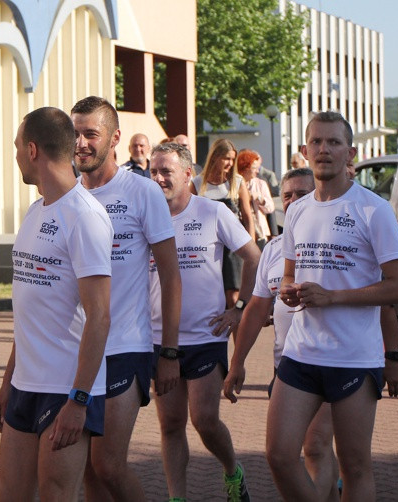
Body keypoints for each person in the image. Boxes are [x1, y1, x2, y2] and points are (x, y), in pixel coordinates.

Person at [269, 111, 398, 501]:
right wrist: (288, 290)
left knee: (355, 467)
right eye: (316, 141)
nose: (324, 149)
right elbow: (289, 274)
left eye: (333, 142)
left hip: (353, 357)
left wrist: (333, 297)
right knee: (279, 456)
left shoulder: (372, 209)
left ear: (350, 153)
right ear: (305, 150)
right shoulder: (297, 210)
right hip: (301, 352)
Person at [0, 107, 112, 501]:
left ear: (32, 150)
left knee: (56, 496)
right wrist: (8, 381)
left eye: (16, 147)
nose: (15, 156)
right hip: (25, 385)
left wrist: (79, 400)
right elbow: (31, 310)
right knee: (9, 495)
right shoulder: (34, 211)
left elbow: (100, 317)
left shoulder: (85, 216)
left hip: (66, 388)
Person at [70, 97, 182, 501]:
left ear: (114, 138)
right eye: (75, 134)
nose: (81, 143)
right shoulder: (68, 196)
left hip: (126, 346)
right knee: (87, 466)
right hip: (78, 349)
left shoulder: (142, 192)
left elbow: (170, 275)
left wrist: (168, 352)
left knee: (109, 464)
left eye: (91, 134)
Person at [148, 142, 259, 502]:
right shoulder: (144, 217)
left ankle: (232, 470)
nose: (158, 178)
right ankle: (176, 497)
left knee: (204, 419)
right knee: (170, 425)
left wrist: (239, 307)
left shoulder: (212, 212)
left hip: (206, 336)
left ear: (187, 174)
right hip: (159, 338)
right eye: (153, 171)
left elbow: (254, 258)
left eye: (166, 171)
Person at [224, 168, 341, 500]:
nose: (292, 201)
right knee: (288, 454)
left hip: (332, 359)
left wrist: (391, 351)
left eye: (301, 194)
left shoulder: (336, 241)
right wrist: (237, 363)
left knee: (315, 446)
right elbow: (256, 308)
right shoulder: (274, 249)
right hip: (287, 368)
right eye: (287, 195)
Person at [191, 139, 255, 308]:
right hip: (208, 247)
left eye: (233, 159)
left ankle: (238, 325)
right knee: (211, 297)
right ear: (215, 157)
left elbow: (247, 218)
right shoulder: (197, 183)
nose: (230, 163)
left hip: (233, 246)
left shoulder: (237, 182)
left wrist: (251, 247)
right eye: (227, 158)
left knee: (233, 297)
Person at [236, 149, 274, 248]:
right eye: (254, 168)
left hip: (259, 233)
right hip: (239, 231)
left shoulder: (260, 184)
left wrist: (260, 199)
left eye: (258, 168)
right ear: (245, 168)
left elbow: (270, 208)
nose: (258, 171)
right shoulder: (233, 185)